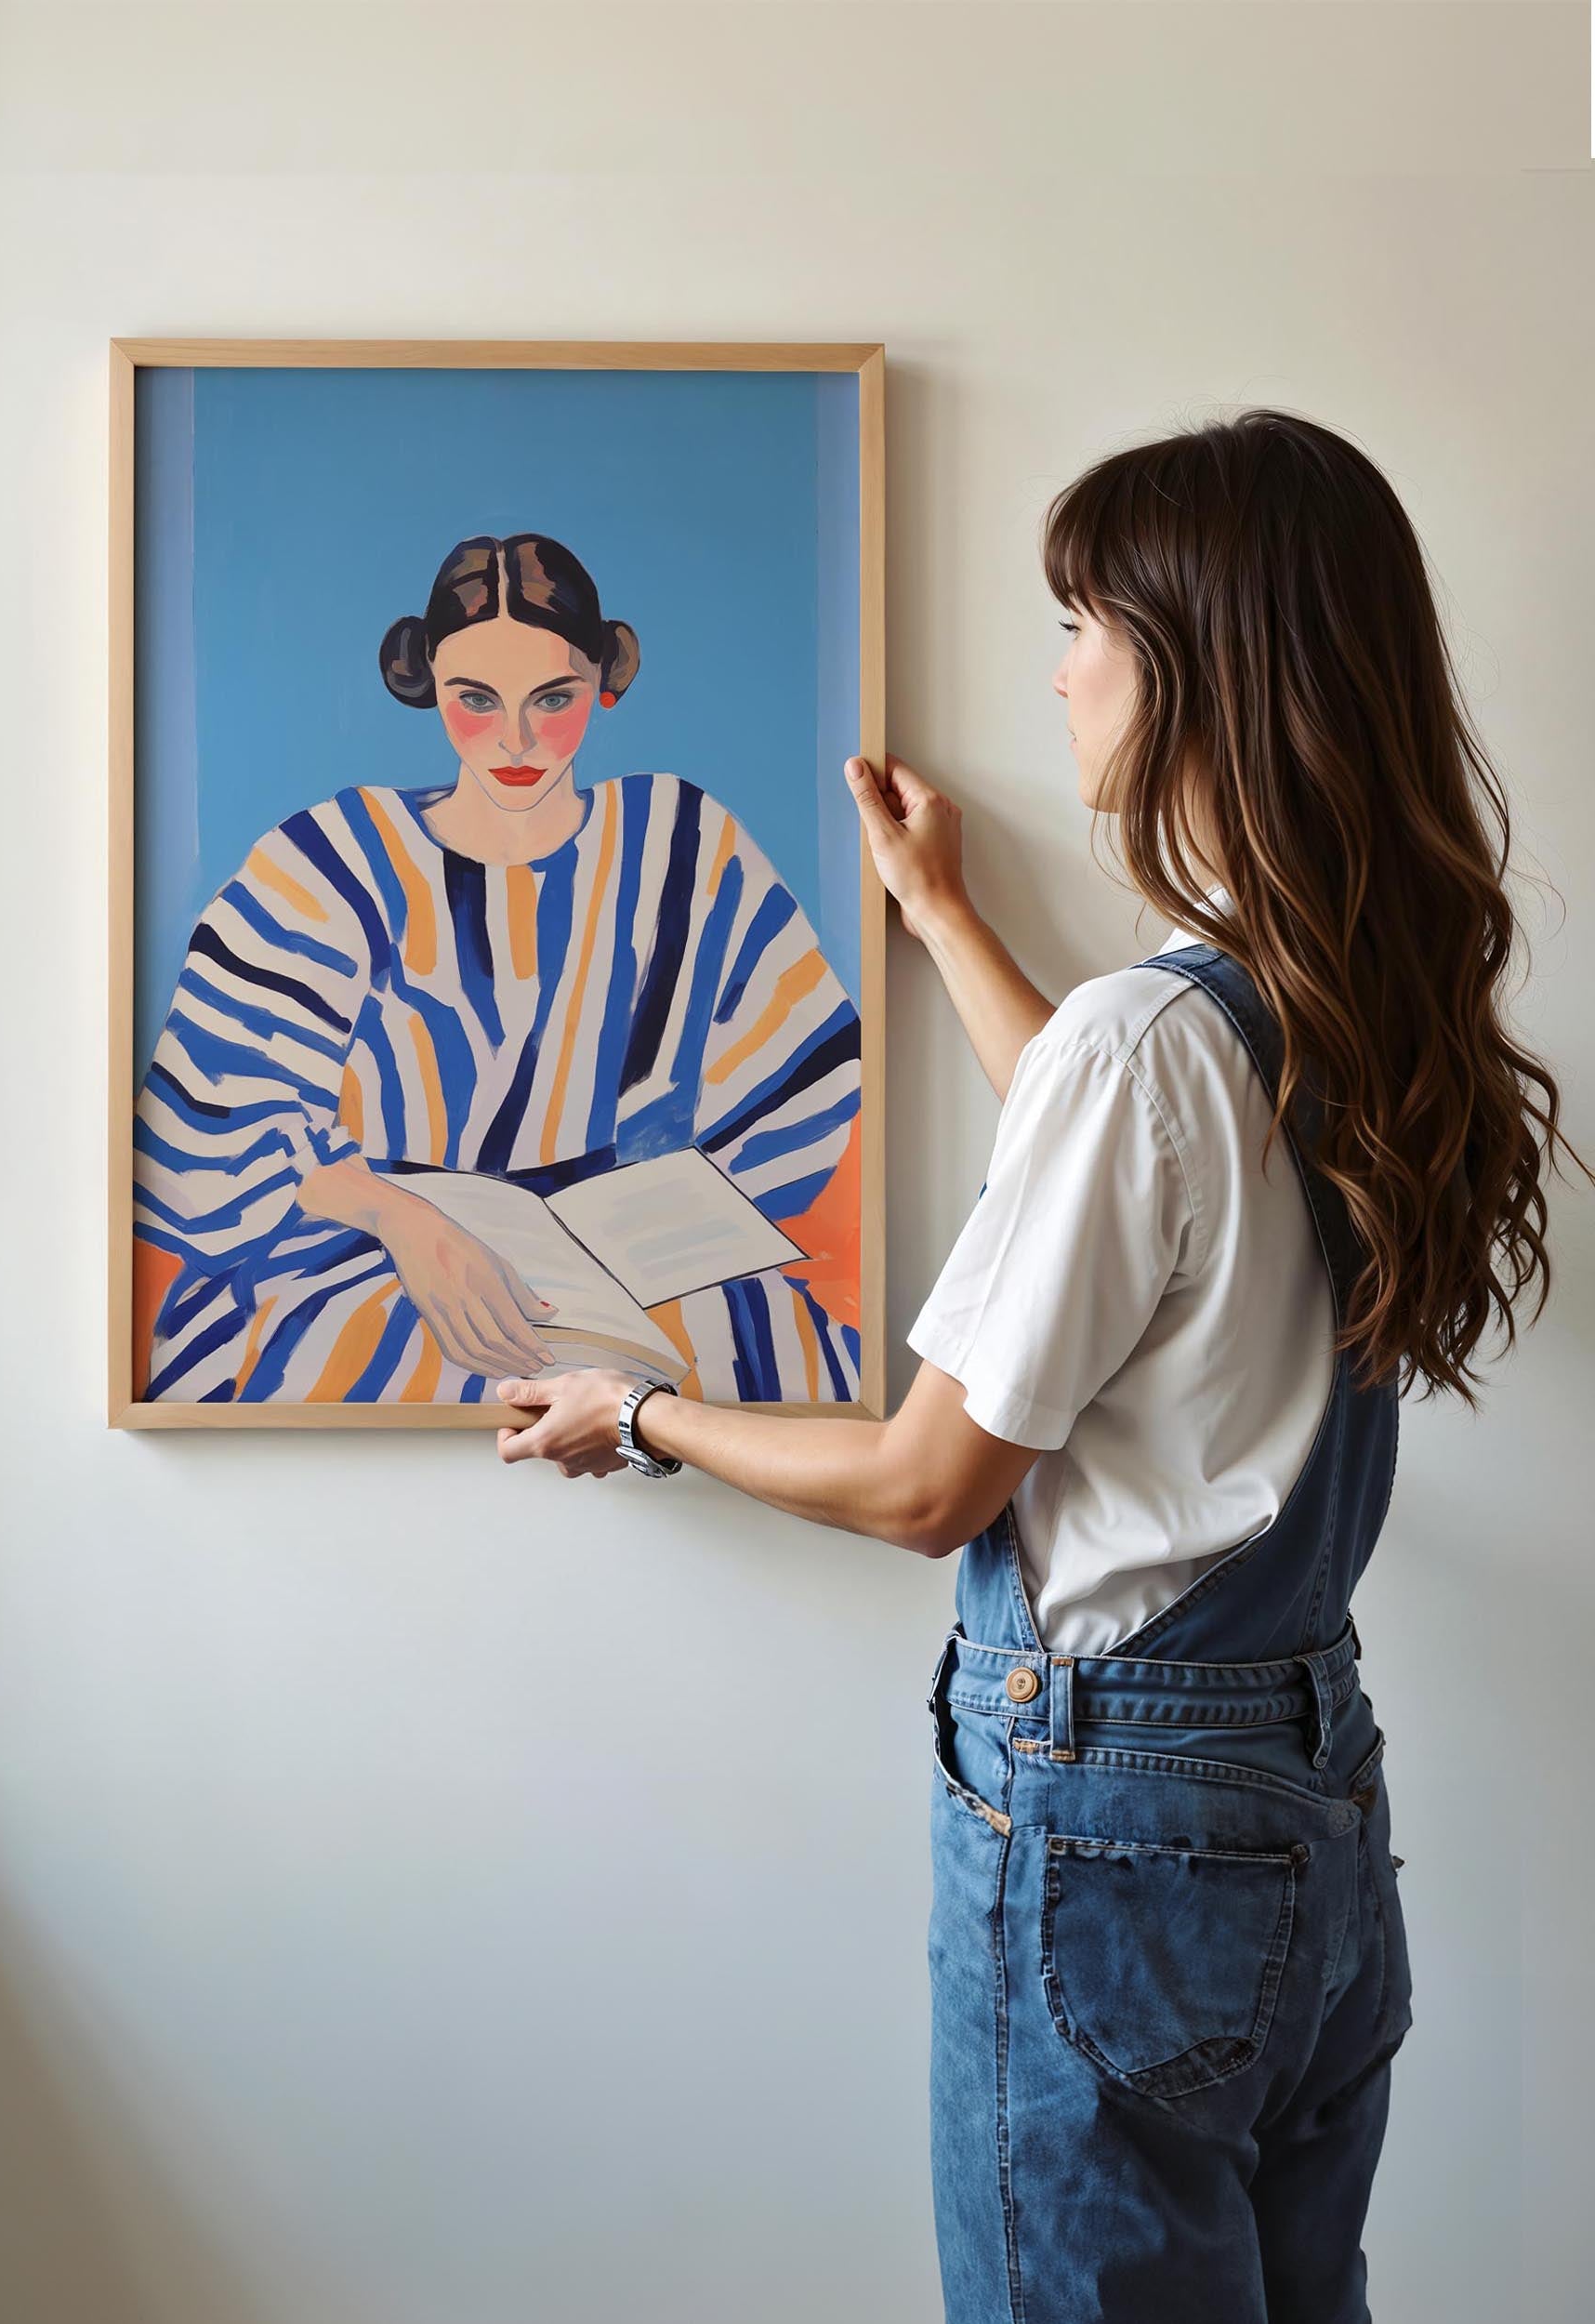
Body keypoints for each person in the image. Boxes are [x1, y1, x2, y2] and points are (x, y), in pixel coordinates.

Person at [493, 409, 1586, 2320]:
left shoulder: (1148, 1046)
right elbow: (1140, 1187)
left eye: (1081, 621)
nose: (1056, 667)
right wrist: (942, 916)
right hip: (1306, 1799)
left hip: (1123, 1825)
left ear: (1195, 671)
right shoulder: (1347, 999)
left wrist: (642, 1408)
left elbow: (928, 1489)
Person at [131, 531, 862, 1405]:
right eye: (475, 698)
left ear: (606, 680)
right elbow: (212, 1130)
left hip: (627, 1268)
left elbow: (797, 1101)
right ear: (426, 682)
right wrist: (402, 1220)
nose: (517, 737)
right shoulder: (333, 860)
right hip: (363, 1256)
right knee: (400, 1354)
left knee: (751, 1344)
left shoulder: (683, 844)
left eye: (554, 698)